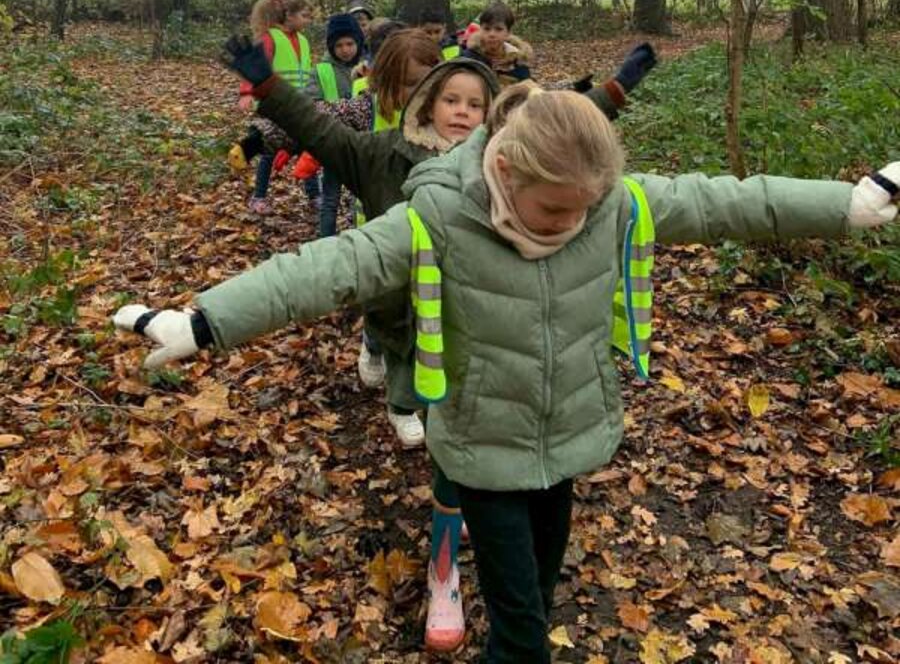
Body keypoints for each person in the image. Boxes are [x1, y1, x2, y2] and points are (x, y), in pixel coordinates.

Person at [113, 89, 899, 662]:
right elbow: (326, 269)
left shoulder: (610, 204)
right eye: (556, 211)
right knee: (522, 634)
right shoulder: (438, 220)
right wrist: (204, 322)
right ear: (507, 173)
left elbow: (729, 202)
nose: (574, 223)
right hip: (484, 450)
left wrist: (849, 203)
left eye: (585, 208)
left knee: (537, 599)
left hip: (568, 440)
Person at [227, 0, 317, 215]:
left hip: (299, 104)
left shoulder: (303, 41)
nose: (308, 20)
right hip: (274, 103)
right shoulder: (270, 38)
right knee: (268, 149)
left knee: (308, 146)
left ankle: (314, 195)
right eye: (305, 15)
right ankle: (258, 197)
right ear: (288, 15)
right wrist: (246, 93)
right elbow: (253, 66)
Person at [303, 12, 366, 238]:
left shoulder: (368, 68)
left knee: (362, 198)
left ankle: (361, 238)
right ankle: (326, 240)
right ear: (331, 46)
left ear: (358, 42)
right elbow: (310, 103)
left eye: (350, 43)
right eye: (339, 45)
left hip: (362, 144)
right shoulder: (321, 71)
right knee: (330, 198)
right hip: (334, 142)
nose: (345, 49)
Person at [463, 1, 532, 85]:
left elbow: (527, 90)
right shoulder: (468, 59)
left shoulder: (518, 63)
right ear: (480, 30)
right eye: (487, 29)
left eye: (498, 29)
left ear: (508, 32)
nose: (492, 34)